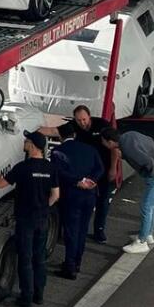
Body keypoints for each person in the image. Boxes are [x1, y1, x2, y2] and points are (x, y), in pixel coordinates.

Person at [0, 130, 59, 307]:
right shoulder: (51, 168)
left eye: (26, 141)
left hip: (25, 219)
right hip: (42, 218)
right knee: (39, 258)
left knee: (25, 258)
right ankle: (38, 295)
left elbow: (1, 184)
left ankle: (26, 300)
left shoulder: (23, 168)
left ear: (32, 145)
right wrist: (43, 207)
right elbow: (56, 195)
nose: (24, 142)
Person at [40, 104, 119, 242]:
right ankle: (73, 232)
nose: (82, 123)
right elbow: (55, 131)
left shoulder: (102, 125)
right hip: (83, 172)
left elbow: (114, 148)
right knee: (78, 202)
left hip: (102, 168)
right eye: (79, 120)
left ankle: (99, 231)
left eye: (84, 119)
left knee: (103, 201)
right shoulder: (73, 126)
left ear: (89, 116)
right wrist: (36, 132)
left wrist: (113, 168)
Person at [101, 127, 154, 253]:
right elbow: (149, 140)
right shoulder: (129, 135)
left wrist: (151, 177)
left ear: (110, 142)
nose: (103, 144)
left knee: (146, 206)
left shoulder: (127, 148)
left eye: (104, 142)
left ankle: (142, 241)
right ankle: (147, 234)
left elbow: (148, 162)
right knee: (150, 205)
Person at [50, 122, 105, 279]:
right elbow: (100, 168)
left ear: (60, 137)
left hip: (71, 196)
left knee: (71, 231)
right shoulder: (90, 149)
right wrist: (91, 180)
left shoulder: (57, 151)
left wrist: (77, 181)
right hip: (90, 195)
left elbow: (59, 173)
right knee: (82, 230)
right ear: (74, 135)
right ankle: (77, 262)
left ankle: (70, 267)